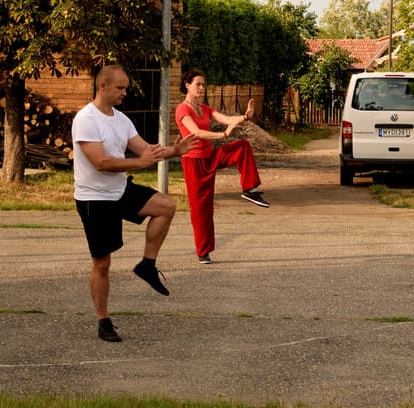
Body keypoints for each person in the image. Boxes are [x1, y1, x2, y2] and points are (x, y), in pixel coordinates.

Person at [72, 64, 198, 342]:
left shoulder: (121, 120)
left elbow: (146, 150)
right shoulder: (86, 119)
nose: (124, 93)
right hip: (95, 199)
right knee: (102, 263)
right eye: (120, 88)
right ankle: (103, 320)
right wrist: (139, 163)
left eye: (125, 88)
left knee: (166, 207)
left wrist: (175, 151)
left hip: (119, 190)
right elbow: (101, 162)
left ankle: (147, 265)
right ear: (102, 86)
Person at [175, 69, 269, 265]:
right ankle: (203, 252)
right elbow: (197, 132)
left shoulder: (204, 108)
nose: (202, 87)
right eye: (198, 84)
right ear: (187, 85)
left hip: (210, 156)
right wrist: (223, 135)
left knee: (242, 146)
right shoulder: (182, 110)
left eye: (203, 84)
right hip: (194, 162)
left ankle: (250, 190)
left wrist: (245, 117)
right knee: (202, 209)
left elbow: (227, 119)